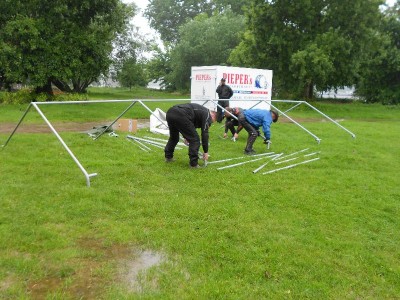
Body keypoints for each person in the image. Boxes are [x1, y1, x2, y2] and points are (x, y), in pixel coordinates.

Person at [164, 103, 217, 168]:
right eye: (213, 121)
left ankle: (168, 157)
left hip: (170, 112)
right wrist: (206, 151)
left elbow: (189, 126)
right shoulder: (207, 115)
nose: (211, 123)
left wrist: (186, 137)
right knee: (195, 140)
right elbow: (204, 133)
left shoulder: (201, 112)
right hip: (181, 114)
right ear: (213, 115)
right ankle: (193, 164)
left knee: (174, 137)